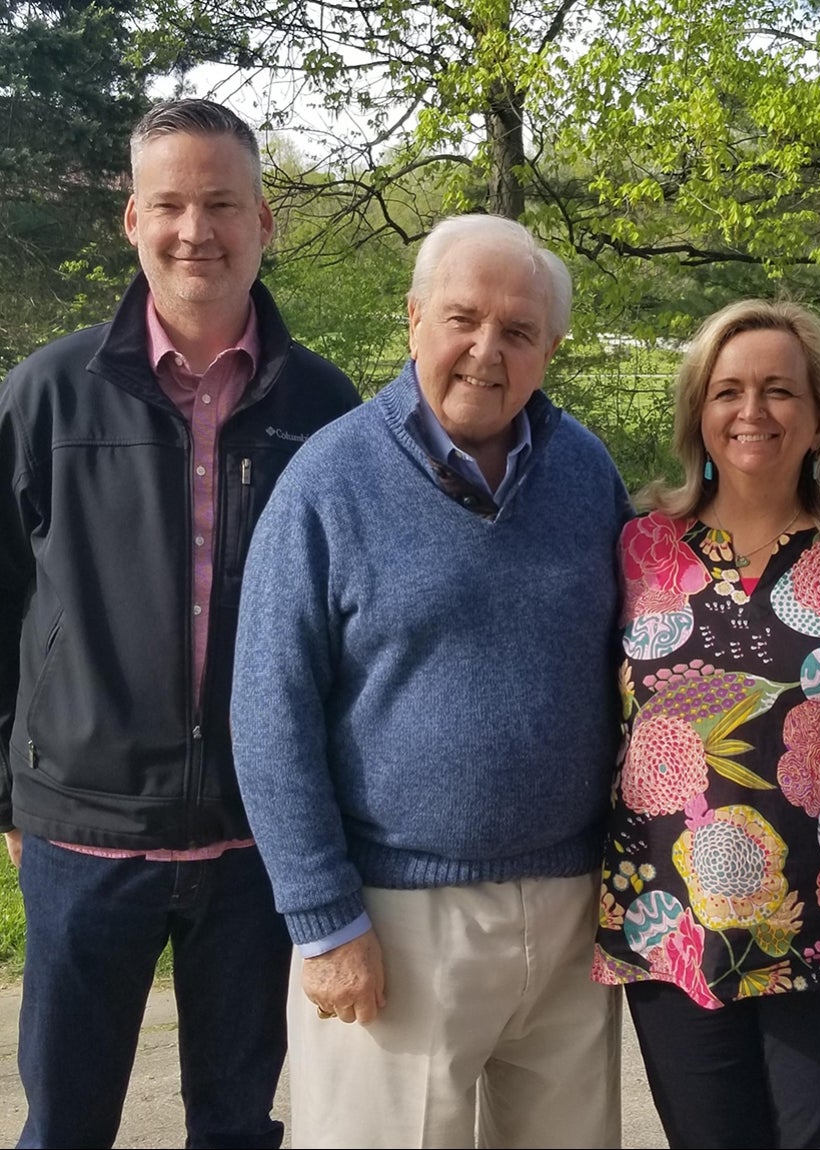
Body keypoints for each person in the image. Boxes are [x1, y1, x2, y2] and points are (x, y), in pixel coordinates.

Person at [0, 98, 360, 1149]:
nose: (194, 229)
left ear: (264, 223)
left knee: (237, 1124)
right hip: (82, 829)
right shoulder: (46, 395)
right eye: (170, 203)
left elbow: (352, 623)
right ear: (131, 220)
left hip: (258, 838)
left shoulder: (325, 408)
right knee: (64, 1123)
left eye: (221, 204)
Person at [230, 213, 629, 1150]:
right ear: (414, 319)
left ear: (551, 349)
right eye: (463, 318)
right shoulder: (329, 481)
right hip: (395, 918)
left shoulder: (585, 471)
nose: (487, 351)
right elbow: (267, 709)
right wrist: (324, 922)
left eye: (520, 331)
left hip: (571, 908)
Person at [592, 299, 820, 1149]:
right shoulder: (635, 546)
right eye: (728, 390)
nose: (752, 412)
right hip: (671, 927)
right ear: (699, 412)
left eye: (779, 391)